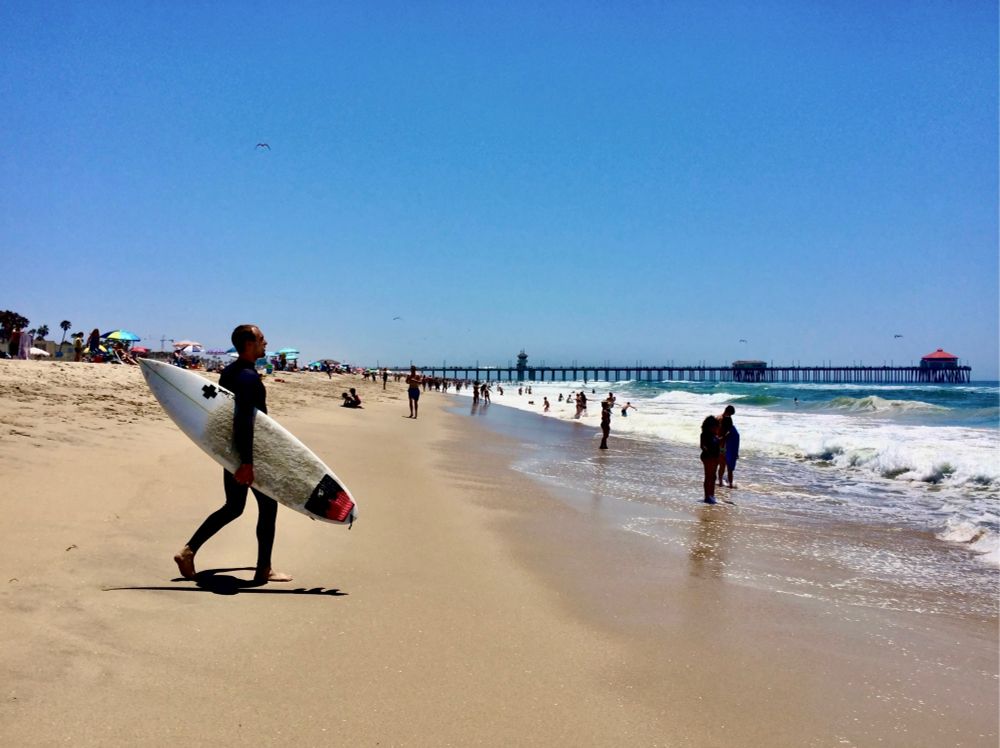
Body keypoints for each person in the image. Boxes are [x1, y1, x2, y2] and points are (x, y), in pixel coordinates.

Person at [173, 324, 291, 583]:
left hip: (232, 451)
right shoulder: (247, 378)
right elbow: (243, 420)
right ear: (249, 343)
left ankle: (188, 551)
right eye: (261, 339)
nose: (266, 343)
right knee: (268, 506)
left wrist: (233, 456)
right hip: (250, 454)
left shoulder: (230, 372)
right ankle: (264, 569)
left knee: (234, 507)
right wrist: (247, 462)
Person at [700, 415, 720, 504]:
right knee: (708, 476)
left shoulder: (715, 435)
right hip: (708, 457)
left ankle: (711, 495)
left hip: (714, 457)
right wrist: (709, 454)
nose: (717, 428)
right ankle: (707, 496)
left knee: (713, 476)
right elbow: (702, 446)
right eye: (715, 426)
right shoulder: (704, 435)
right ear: (710, 426)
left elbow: (718, 447)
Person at [716, 405, 735, 487]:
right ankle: (723, 482)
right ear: (728, 411)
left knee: (720, 464)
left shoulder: (717, 417)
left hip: (717, 444)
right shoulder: (724, 419)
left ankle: (719, 481)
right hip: (723, 445)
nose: (730, 416)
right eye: (730, 414)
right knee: (725, 465)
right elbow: (727, 433)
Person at [723, 411, 740, 488]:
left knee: (729, 469)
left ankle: (729, 484)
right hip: (733, 451)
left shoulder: (730, 432)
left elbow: (723, 438)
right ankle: (729, 484)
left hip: (729, 451)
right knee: (730, 469)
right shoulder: (734, 430)